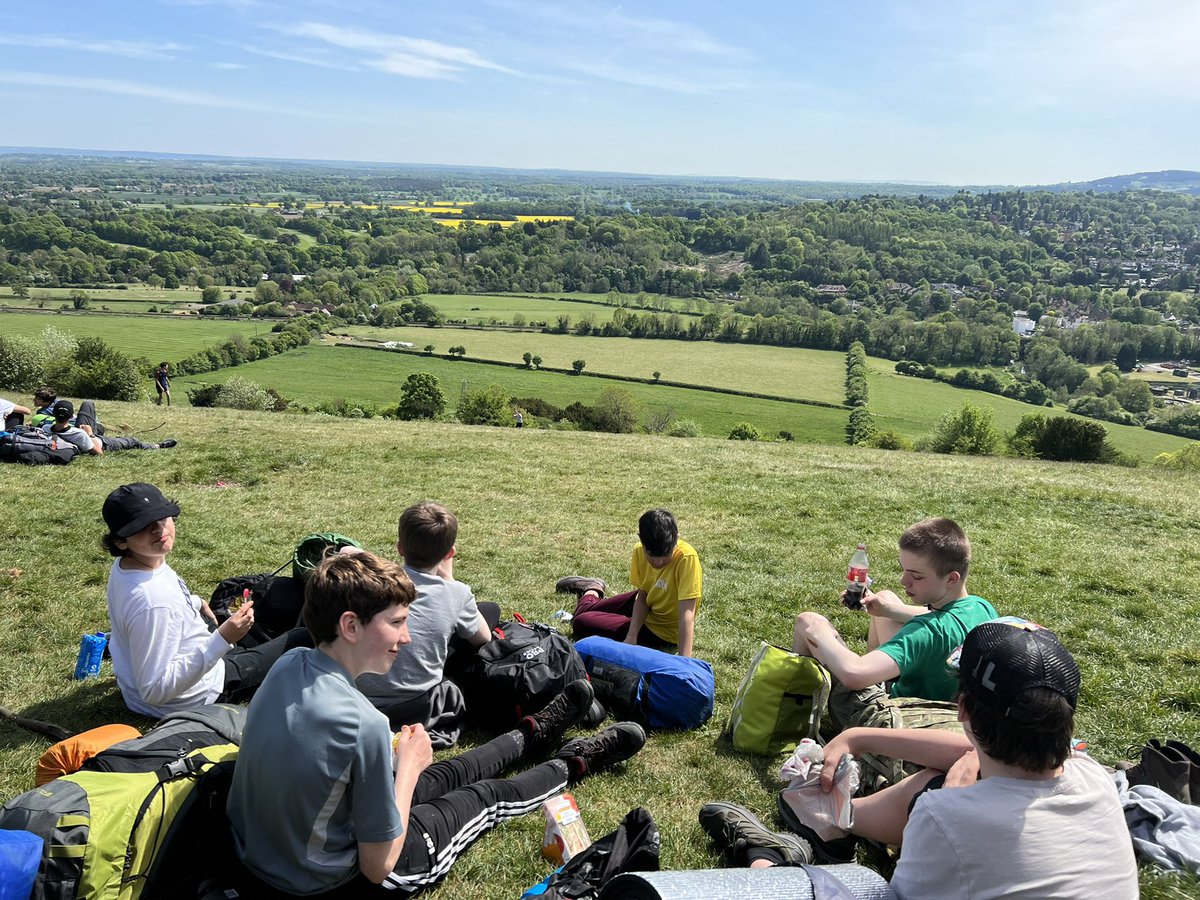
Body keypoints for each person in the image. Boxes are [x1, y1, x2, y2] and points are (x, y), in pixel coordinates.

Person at [227, 551, 646, 897]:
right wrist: (407, 768)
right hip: (339, 879)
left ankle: (532, 732)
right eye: (396, 623)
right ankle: (575, 761)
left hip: (272, 855)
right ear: (350, 626)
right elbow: (378, 866)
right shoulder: (363, 723)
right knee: (485, 797)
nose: (406, 637)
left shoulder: (289, 664)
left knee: (452, 771)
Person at [699, 620, 1139, 899]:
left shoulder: (946, 817)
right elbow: (969, 754)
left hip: (936, 831)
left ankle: (769, 860)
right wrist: (855, 735)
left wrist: (952, 798)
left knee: (848, 885)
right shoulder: (1093, 776)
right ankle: (831, 822)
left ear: (962, 710)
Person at [102, 482, 312, 718]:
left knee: (250, 626)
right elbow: (154, 690)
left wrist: (194, 602)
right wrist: (223, 638)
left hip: (162, 675)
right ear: (120, 541)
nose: (159, 530)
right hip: (190, 698)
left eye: (162, 518)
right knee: (302, 637)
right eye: (143, 527)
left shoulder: (134, 565)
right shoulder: (153, 602)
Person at [792, 517, 997, 736]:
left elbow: (854, 675)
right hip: (946, 712)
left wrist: (817, 632)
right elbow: (937, 616)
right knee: (887, 597)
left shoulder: (924, 633)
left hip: (898, 719)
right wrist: (887, 609)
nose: (903, 581)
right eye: (904, 570)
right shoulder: (980, 607)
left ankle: (792, 717)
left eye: (916, 576)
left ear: (951, 579)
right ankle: (880, 669)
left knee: (808, 620)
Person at [355, 501, 498, 746]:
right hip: (418, 700)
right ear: (449, 553)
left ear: (400, 548)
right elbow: (484, 638)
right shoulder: (457, 594)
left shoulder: (372, 584)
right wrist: (450, 580)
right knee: (490, 611)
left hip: (363, 695)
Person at [560, 508, 703, 657]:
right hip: (649, 601)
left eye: (665, 555)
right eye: (652, 556)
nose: (658, 562)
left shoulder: (687, 558)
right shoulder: (638, 551)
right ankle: (592, 588)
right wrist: (631, 636)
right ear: (641, 540)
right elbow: (642, 597)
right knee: (584, 612)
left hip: (660, 630)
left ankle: (591, 590)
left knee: (581, 621)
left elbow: (687, 612)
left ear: (677, 538)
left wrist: (685, 660)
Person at [45, 400, 174, 455]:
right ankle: (158, 446)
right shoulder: (79, 434)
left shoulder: (46, 428)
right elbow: (98, 452)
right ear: (71, 416)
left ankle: (98, 428)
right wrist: (90, 434)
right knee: (131, 441)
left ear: (53, 415)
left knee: (88, 404)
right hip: (101, 443)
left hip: (74, 432)